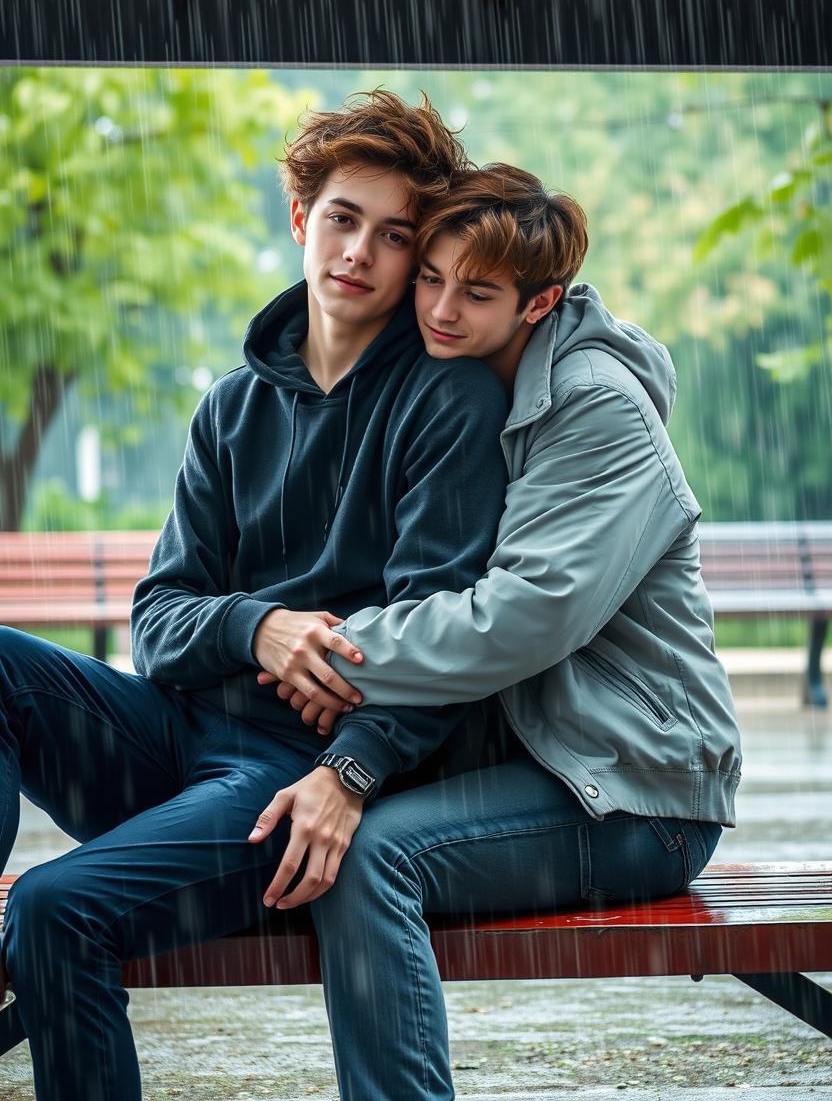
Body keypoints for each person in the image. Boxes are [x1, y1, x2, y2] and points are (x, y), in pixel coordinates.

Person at [0, 92, 511, 1101]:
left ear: (416, 259)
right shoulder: (233, 406)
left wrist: (352, 764)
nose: (359, 249)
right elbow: (161, 620)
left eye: (394, 234)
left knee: (59, 905)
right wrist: (261, 626)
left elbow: (443, 639)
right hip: (175, 740)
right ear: (299, 220)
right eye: (341, 217)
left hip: (291, 784)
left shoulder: (447, 400)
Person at [259, 163, 743, 1101]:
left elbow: (523, 621)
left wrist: (336, 653)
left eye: (475, 293)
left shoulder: (597, 407)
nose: (438, 308)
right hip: (551, 766)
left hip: (640, 794)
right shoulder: (477, 380)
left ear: (539, 302)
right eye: (431, 277)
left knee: (373, 857)